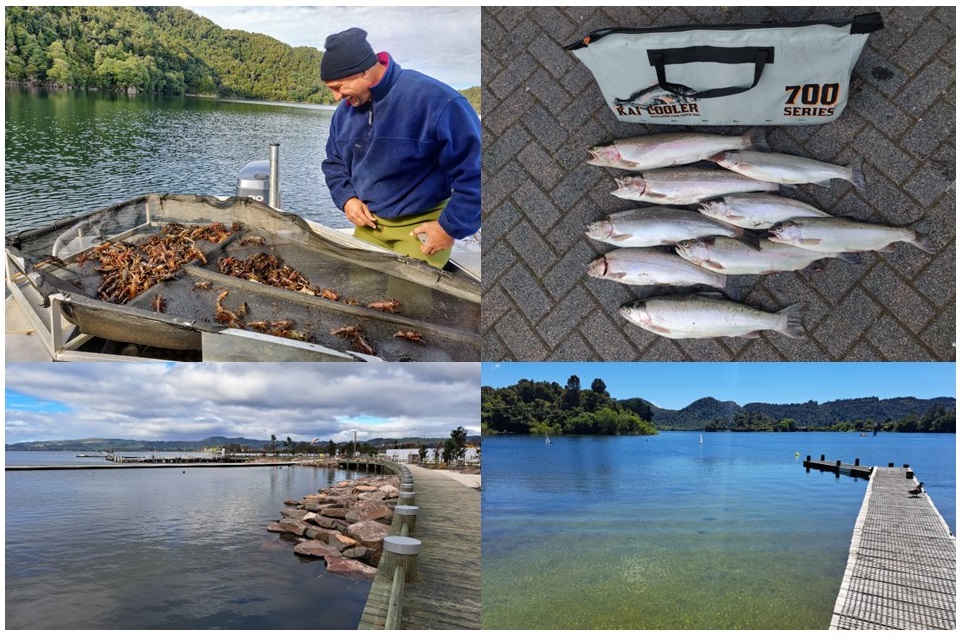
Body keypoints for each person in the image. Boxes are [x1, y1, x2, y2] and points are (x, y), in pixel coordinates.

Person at [320, 27, 481, 269]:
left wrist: (450, 227)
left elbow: (477, 172)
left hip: (422, 226)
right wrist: (347, 199)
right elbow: (334, 163)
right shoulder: (344, 114)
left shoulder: (438, 101)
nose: (335, 97)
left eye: (338, 87)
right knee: (360, 296)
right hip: (369, 224)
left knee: (408, 303)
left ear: (363, 71)